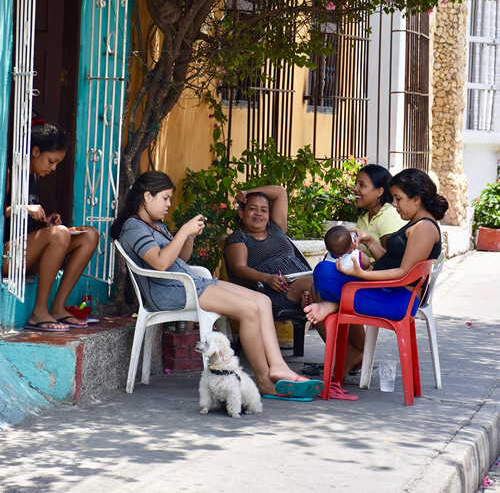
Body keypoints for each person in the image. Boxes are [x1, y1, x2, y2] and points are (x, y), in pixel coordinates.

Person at [111, 172, 323, 399]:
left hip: (191, 284)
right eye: (165, 198)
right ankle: (263, 380)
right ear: (146, 197)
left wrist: (189, 236)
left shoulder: (155, 224)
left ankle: (278, 366)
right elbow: (161, 263)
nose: (169, 204)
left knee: (262, 300)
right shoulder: (134, 227)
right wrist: (182, 231)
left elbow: (180, 258)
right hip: (171, 291)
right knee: (249, 309)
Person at [305, 168, 447, 381]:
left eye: (398, 199)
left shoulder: (424, 229)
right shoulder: (416, 223)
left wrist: (360, 273)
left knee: (323, 271)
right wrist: (369, 241)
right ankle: (341, 333)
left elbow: (402, 273)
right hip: (386, 293)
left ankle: (338, 322)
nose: (395, 205)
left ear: (416, 199)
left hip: (396, 301)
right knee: (323, 277)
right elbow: (391, 261)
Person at [3, 119, 99, 332]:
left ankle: (57, 307)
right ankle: (38, 312)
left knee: (90, 235)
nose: (53, 168)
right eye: (51, 161)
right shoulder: (8, 173)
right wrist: (24, 208)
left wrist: (46, 222)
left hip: (25, 252)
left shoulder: (34, 177)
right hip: (6, 256)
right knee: (59, 234)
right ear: (35, 151)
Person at [224, 185, 313, 313]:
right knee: (317, 286)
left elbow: (280, 192)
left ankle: (333, 329)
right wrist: (267, 278)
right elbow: (239, 269)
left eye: (264, 210)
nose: (258, 214)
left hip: (300, 280)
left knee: (330, 285)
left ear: (269, 215)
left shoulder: (276, 228)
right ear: (241, 213)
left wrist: (246, 192)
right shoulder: (240, 237)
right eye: (252, 209)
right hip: (276, 290)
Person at [353, 163, 404, 258]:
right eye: (355, 184)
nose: (355, 189)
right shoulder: (364, 216)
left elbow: (391, 262)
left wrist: (362, 270)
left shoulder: (389, 216)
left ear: (379, 192)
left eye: (362, 185)